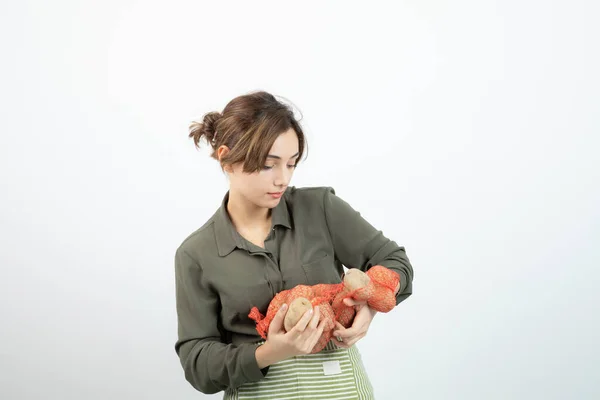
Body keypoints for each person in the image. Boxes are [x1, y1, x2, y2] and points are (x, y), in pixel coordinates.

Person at [174, 90, 414, 399]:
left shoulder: (321, 208)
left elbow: (396, 262)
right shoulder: (196, 254)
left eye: (291, 163)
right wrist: (268, 353)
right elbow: (198, 364)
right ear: (226, 159)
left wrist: (369, 304)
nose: (282, 179)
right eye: (268, 165)